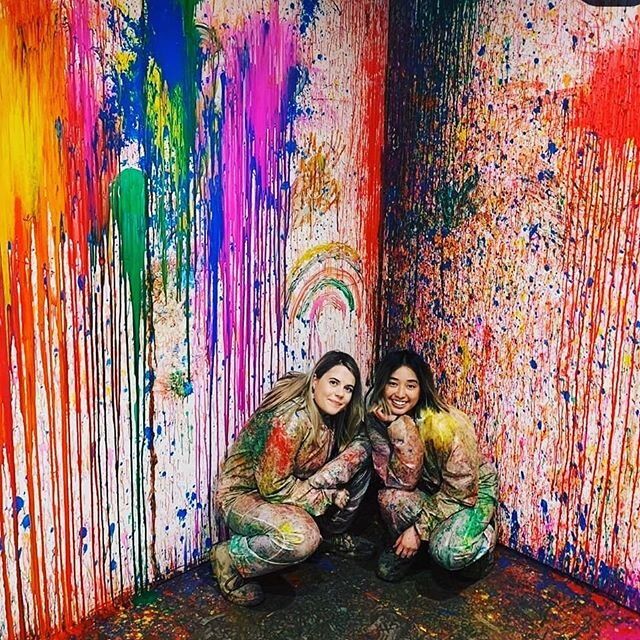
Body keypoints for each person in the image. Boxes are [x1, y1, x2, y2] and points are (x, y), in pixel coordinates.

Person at [212, 351, 374, 606]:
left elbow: (361, 439)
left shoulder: (329, 415)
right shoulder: (291, 420)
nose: (340, 393)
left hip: (284, 491)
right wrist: (327, 495)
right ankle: (230, 557)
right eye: (333, 383)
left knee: (360, 460)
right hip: (245, 495)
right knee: (302, 537)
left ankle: (328, 536)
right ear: (315, 382)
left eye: (348, 388)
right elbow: (273, 487)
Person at [365, 349, 498, 582]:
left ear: (422, 388)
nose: (400, 394)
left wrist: (418, 529)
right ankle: (415, 550)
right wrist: (400, 428)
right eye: (393, 384)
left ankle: (481, 545)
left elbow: (460, 491)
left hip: (469, 493)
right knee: (391, 499)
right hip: (430, 488)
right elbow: (398, 482)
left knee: (448, 552)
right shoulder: (380, 417)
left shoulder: (444, 425)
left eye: (411, 386)